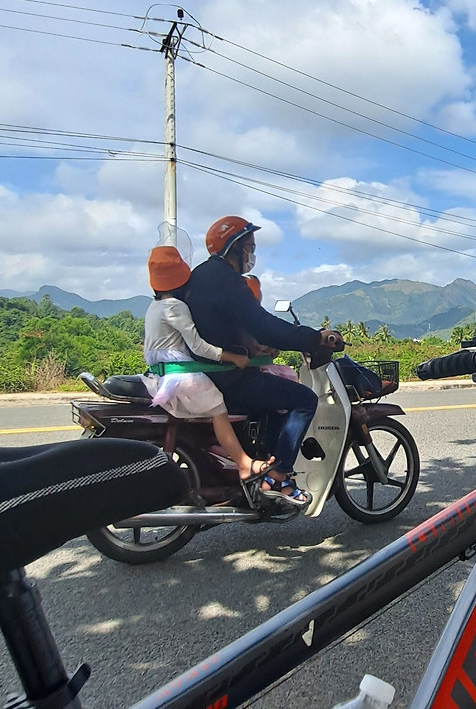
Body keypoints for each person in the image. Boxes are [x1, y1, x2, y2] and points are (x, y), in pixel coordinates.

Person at [180, 216, 343, 507]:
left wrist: (251, 343)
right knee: (304, 399)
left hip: (209, 372)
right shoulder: (225, 279)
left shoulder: (203, 275)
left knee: (275, 399)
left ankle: (264, 464)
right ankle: (279, 477)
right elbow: (263, 324)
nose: (252, 255)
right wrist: (314, 338)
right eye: (250, 247)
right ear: (234, 247)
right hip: (226, 376)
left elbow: (222, 323)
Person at [142, 244, 272, 486]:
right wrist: (232, 357)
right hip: (181, 375)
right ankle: (244, 463)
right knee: (218, 408)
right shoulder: (176, 307)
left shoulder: (154, 307)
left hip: (160, 375)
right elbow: (199, 347)